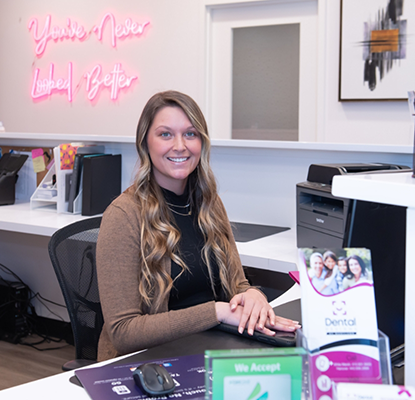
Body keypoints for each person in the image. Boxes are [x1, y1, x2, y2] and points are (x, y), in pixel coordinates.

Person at [96, 90, 300, 361]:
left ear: (201, 143)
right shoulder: (124, 215)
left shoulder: (208, 203)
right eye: (165, 134)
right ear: (145, 143)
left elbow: (237, 282)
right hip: (148, 362)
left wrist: (253, 295)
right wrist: (215, 312)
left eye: (190, 134)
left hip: (208, 347)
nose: (180, 145)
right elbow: (123, 332)